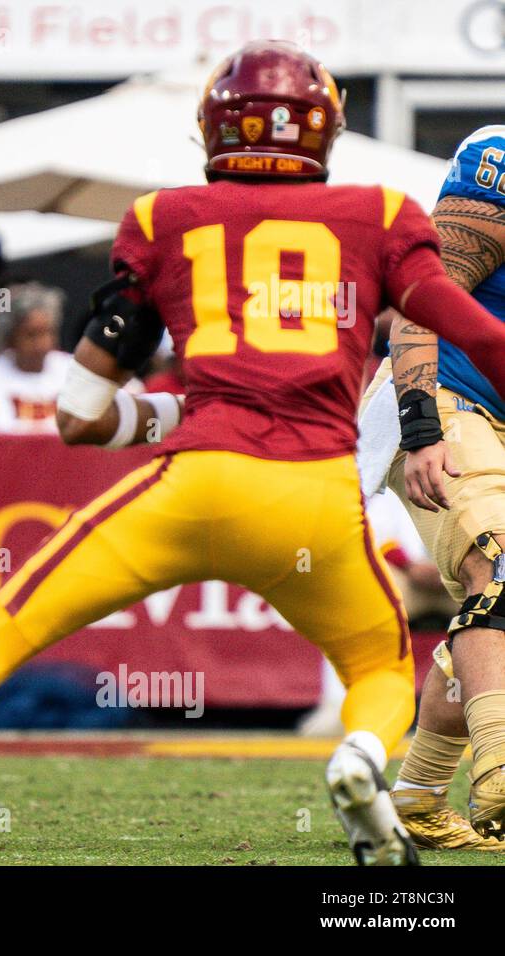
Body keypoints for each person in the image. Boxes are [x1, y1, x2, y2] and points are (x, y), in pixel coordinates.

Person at [0, 41, 505, 868]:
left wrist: (179, 409)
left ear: (212, 128)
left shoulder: (162, 219)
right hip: (313, 500)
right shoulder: (381, 218)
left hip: (189, 483)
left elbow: (78, 414)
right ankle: (361, 759)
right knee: (382, 671)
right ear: (325, 131)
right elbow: (474, 330)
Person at [354, 124, 505, 850]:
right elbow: (422, 300)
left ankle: (413, 797)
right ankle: (502, 777)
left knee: (492, 621)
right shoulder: (497, 162)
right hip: (451, 398)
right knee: (498, 563)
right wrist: (422, 429)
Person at [0, 283, 75, 433]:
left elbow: (81, 423)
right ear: (10, 337)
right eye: (31, 335)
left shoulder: (72, 367)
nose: (42, 344)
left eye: (48, 333)